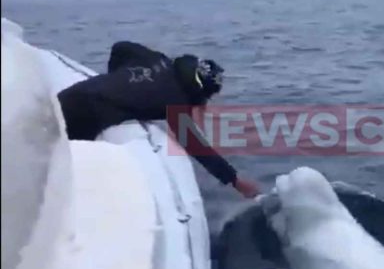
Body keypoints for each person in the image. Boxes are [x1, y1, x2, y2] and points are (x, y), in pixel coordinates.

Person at [56, 41, 260, 198]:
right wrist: (234, 180)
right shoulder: (176, 101)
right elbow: (195, 145)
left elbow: (120, 48)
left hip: (66, 97)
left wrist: (118, 82)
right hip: (83, 116)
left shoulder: (157, 59)